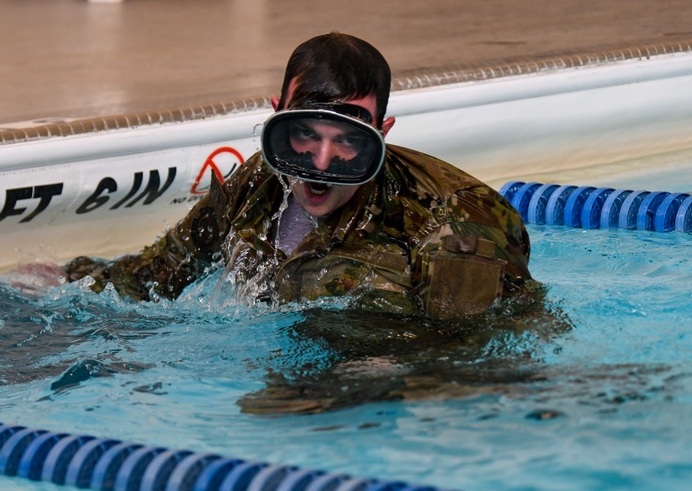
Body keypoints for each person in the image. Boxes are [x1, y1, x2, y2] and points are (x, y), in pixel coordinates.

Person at [63, 32, 534, 320]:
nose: (322, 162)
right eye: (304, 133)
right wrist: (67, 280)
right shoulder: (258, 184)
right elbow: (159, 273)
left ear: (382, 132)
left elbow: (469, 358)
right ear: (277, 116)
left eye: (348, 139)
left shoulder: (452, 222)